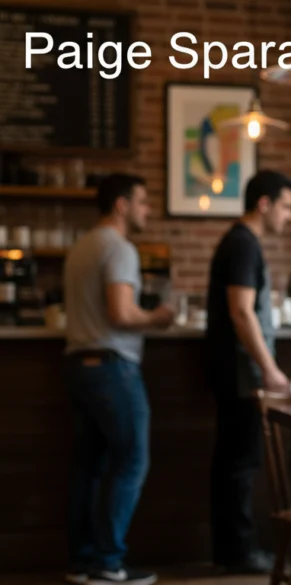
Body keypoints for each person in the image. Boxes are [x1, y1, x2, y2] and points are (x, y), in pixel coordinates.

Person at [63, 174, 175, 585]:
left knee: (89, 468)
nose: (146, 210)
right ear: (122, 205)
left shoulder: (81, 246)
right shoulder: (120, 248)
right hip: (113, 370)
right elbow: (121, 314)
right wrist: (160, 317)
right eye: (143, 202)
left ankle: (82, 562)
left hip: (79, 367)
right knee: (132, 462)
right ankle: (109, 565)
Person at [205, 170, 291, 574]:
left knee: (234, 462)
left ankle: (230, 551)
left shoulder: (239, 242)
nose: (290, 216)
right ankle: (237, 553)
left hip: (235, 373)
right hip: (241, 374)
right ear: (265, 204)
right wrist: (271, 369)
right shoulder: (244, 244)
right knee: (240, 464)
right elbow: (241, 311)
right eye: (287, 206)